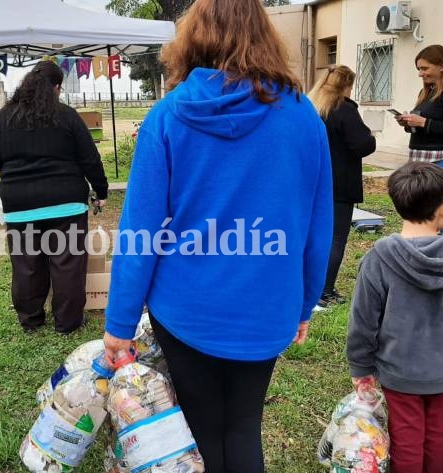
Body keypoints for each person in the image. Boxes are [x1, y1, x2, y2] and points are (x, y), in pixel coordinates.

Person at [102, 0, 334, 471]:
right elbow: (317, 224)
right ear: (263, 37)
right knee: (245, 424)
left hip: (185, 308)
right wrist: (304, 302)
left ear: (193, 40)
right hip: (268, 306)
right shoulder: (303, 116)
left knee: (203, 427)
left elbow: (139, 232)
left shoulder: (167, 117)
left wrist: (119, 324)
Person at [347, 161, 443, 473]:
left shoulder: (378, 259)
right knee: (436, 437)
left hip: (400, 371)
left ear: (398, 206)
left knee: (407, 439)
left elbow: (363, 319)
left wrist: (361, 366)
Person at [0, 60, 108, 334]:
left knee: (26, 265)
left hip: (19, 205)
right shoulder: (67, 115)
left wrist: (15, 169)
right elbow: (90, 158)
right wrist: (101, 191)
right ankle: (67, 322)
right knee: (67, 264)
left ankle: (31, 321)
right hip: (66, 203)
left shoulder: (3, 117)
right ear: (56, 87)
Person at [308, 66, 376, 308]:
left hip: (313, 182)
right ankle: (324, 292)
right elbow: (362, 145)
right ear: (347, 85)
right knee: (336, 238)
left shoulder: (312, 106)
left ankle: (308, 286)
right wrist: (371, 136)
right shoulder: (344, 109)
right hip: (340, 184)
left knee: (314, 236)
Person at [395, 44, 443, 234]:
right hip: (422, 160)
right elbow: (425, 125)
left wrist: (423, 123)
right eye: (419, 69)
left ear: (441, 66)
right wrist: (409, 123)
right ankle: (428, 256)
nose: (421, 74)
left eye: (424, 68)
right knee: (422, 213)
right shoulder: (428, 91)